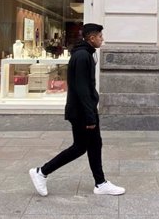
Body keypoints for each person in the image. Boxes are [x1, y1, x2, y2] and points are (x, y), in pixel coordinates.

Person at [29, 23, 125, 197]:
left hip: (85, 109)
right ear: (92, 38)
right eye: (100, 36)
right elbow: (81, 88)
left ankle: (100, 183)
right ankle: (41, 172)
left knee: (95, 144)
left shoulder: (85, 54)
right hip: (82, 112)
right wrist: (89, 117)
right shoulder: (82, 56)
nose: (102, 39)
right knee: (80, 147)